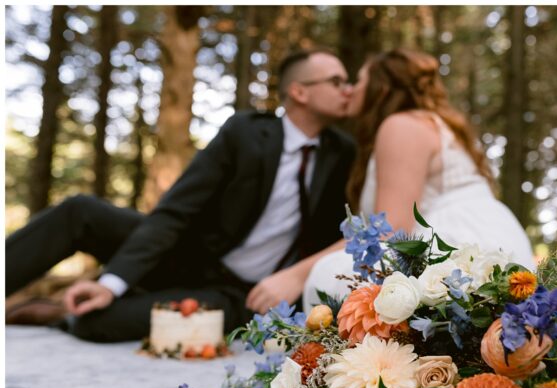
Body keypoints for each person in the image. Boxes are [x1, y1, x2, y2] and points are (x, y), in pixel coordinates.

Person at [6, 49, 356, 341]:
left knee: (99, 324)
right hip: (185, 256)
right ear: (300, 91)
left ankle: (62, 315)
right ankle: (112, 284)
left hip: (240, 293)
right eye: (337, 81)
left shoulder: (343, 153)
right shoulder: (246, 133)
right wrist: (113, 283)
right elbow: (175, 212)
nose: (349, 90)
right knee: (80, 211)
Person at [302, 49, 532, 310]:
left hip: (456, 245)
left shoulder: (401, 125)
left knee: (329, 274)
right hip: (496, 240)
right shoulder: (432, 123)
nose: (351, 90)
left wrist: (294, 276)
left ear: (382, 88)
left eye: (359, 80)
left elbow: (391, 231)